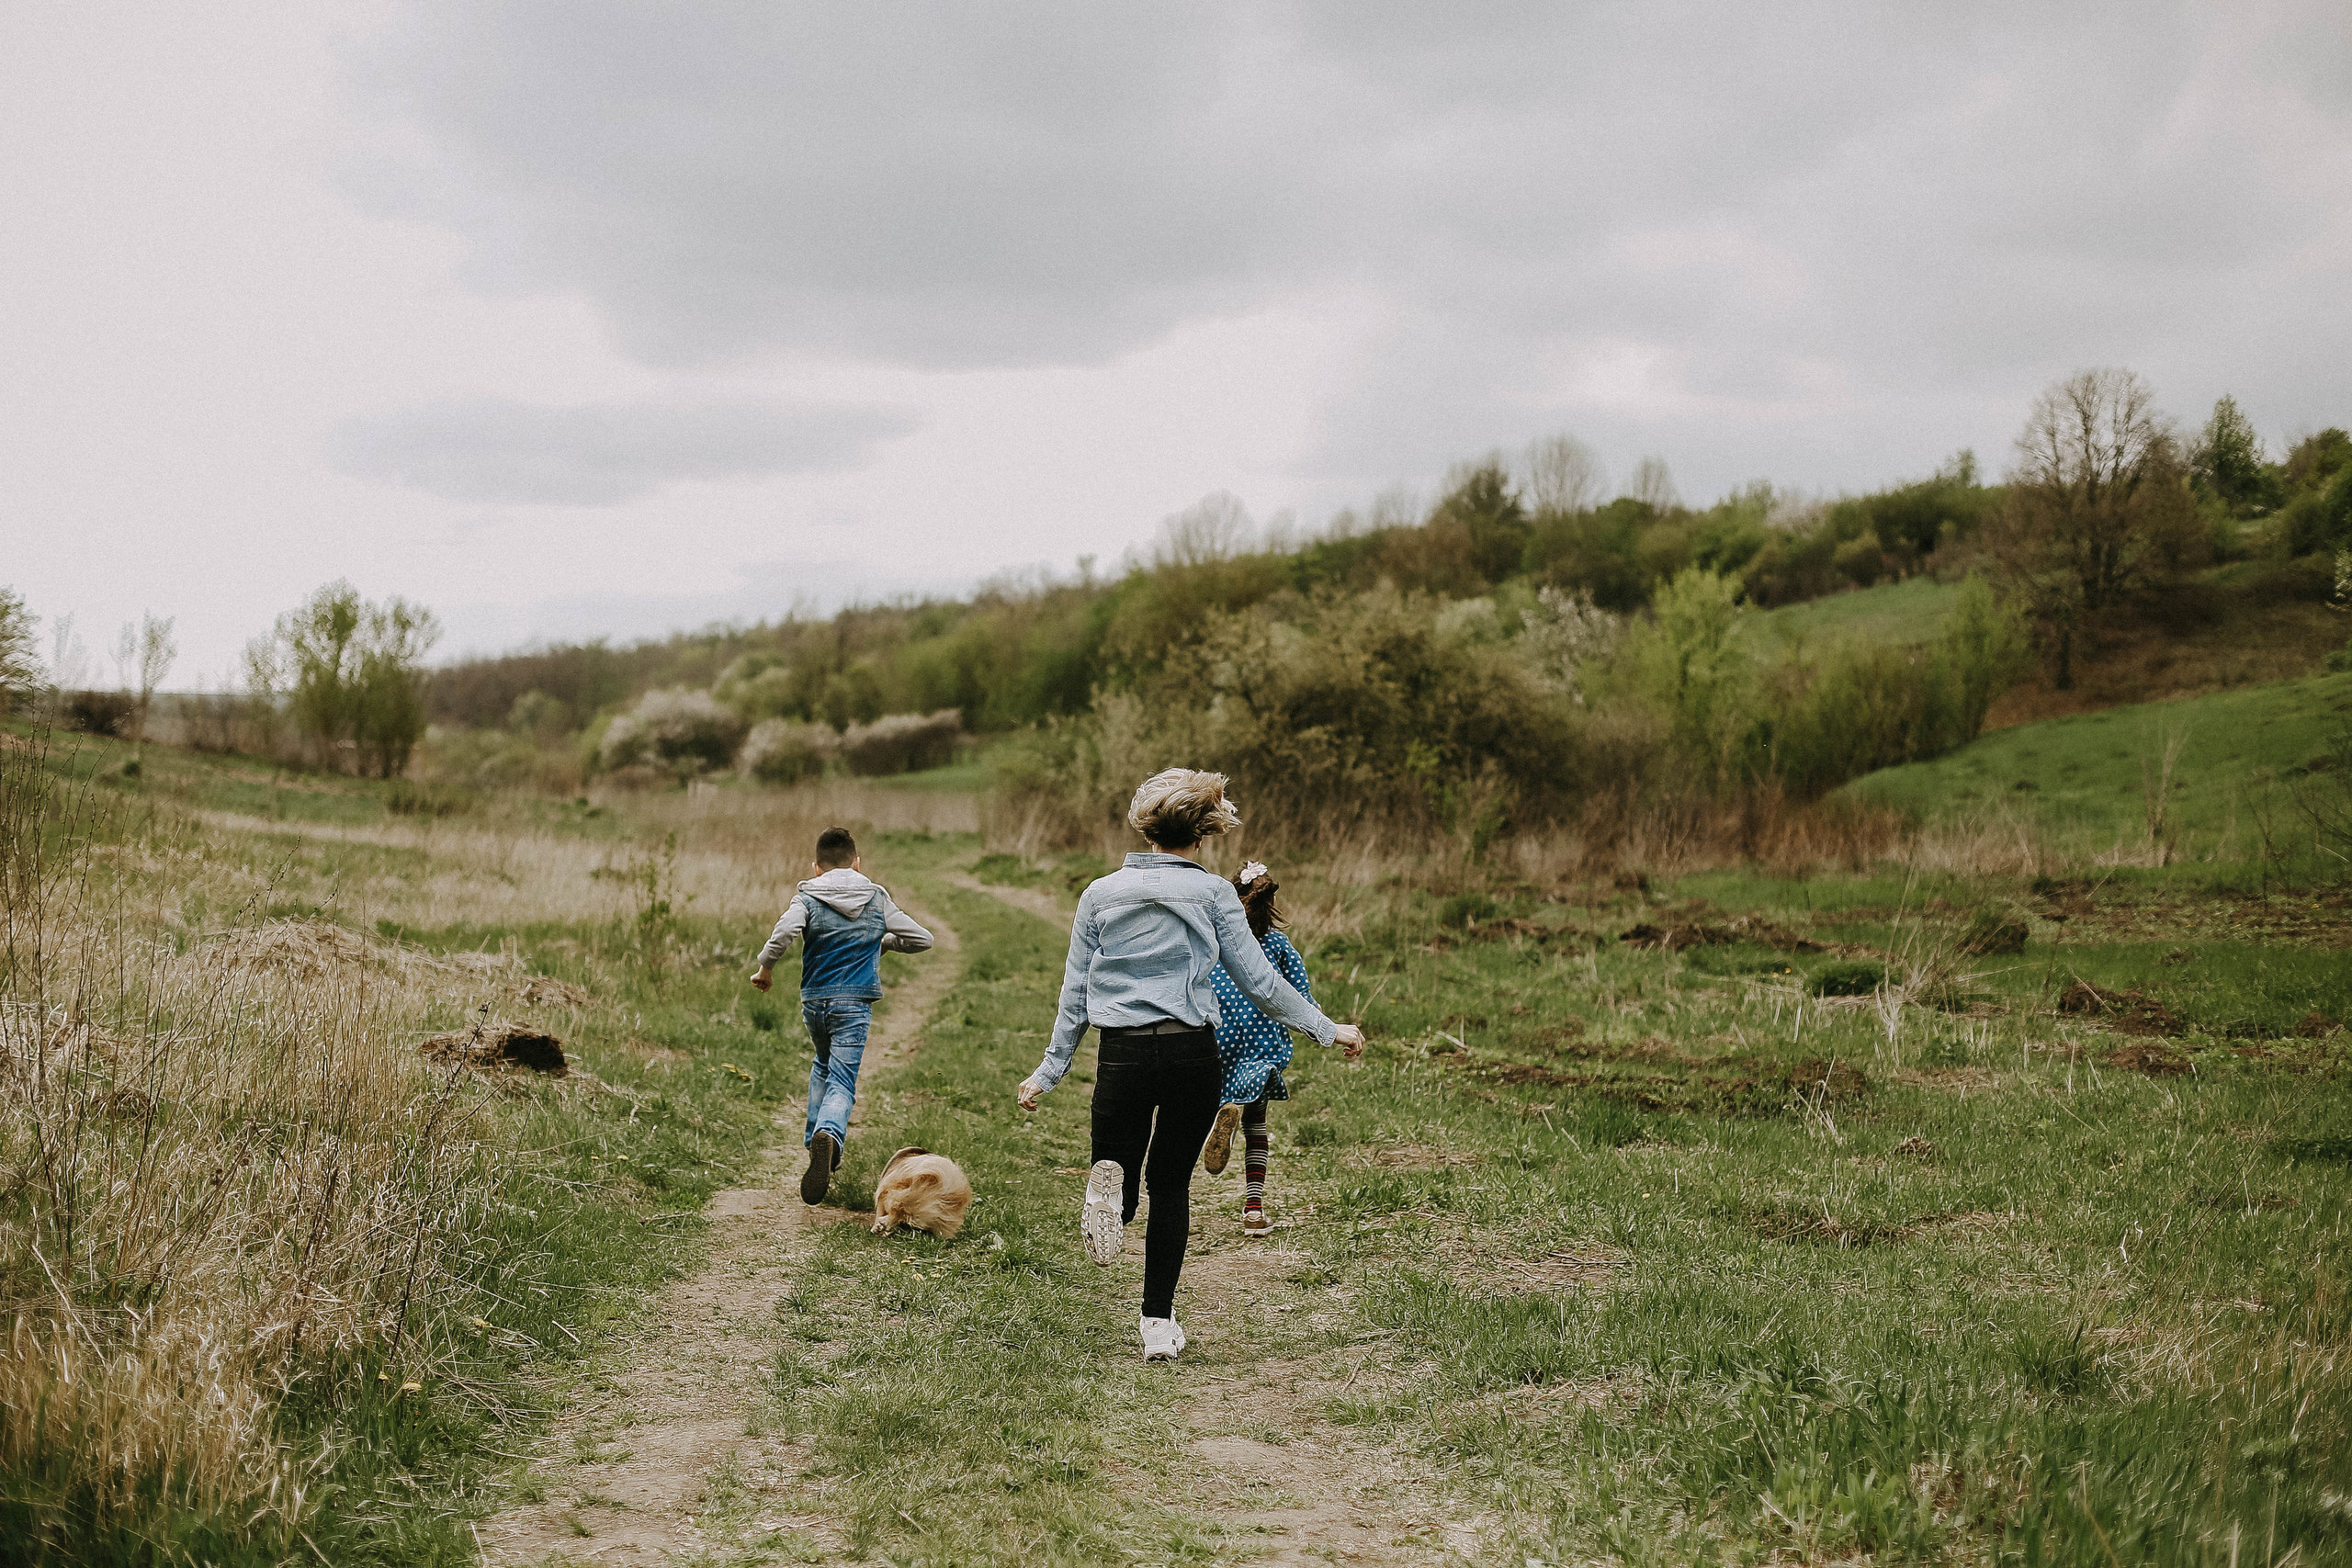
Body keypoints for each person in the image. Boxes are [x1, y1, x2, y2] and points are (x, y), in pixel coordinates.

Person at [1016, 769, 1364, 1362]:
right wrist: (1328, 1029)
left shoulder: (1099, 893)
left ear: (1147, 830)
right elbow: (1260, 982)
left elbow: (1075, 992)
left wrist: (1048, 1071)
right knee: (1171, 1185)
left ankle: (1112, 1200)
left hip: (1122, 1053)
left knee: (1117, 1167)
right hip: (1191, 1053)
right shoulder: (1214, 894)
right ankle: (1157, 1325)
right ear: (1202, 834)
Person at [749, 826, 934, 1203]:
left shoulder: (808, 896)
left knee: (823, 1064)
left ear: (816, 867)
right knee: (842, 1081)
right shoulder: (876, 897)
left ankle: (816, 1145)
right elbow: (922, 939)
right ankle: (828, 1134)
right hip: (854, 1005)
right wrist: (882, 942)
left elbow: (784, 932)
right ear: (857, 863)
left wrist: (765, 968)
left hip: (815, 1003)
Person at [1197, 861, 1312, 1237]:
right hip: (1261, 1047)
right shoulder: (1278, 945)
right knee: (1257, 1126)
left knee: (1210, 1101)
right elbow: (1300, 997)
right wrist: (1325, 1030)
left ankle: (1219, 1118)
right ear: (1270, 903)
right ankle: (1253, 1210)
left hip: (1219, 1039)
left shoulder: (1217, 943)